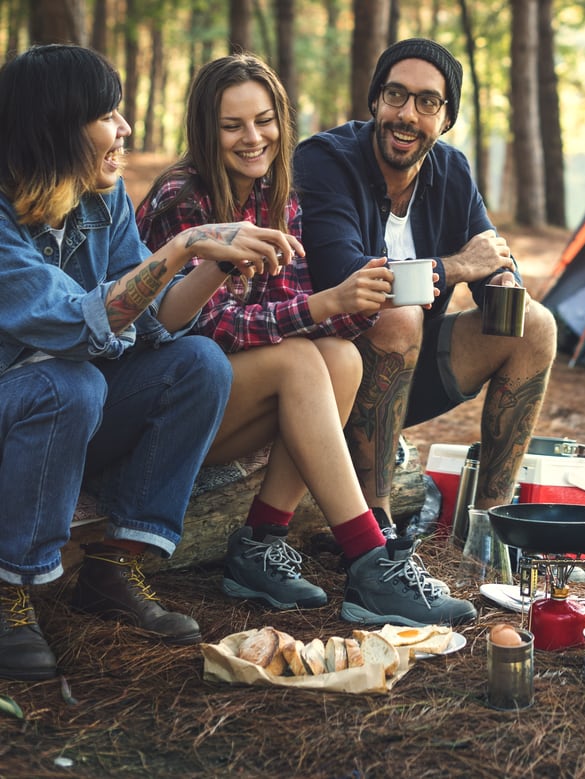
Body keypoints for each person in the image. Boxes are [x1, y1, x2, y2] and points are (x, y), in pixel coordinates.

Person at [0, 45, 309, 681]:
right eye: (107, 116)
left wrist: (214, 259)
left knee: (198, 363)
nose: (125, 130)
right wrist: (180, 246)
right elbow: (72, 322)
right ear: (57, 127)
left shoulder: (100, 198)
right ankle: (11, 591)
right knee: (70, 381)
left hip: (71, 408)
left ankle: (115, 567)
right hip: (19, 406)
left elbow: (156, 318)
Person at [136, 54, 475, 626]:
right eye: (232, 125)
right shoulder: (183, 197)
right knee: (298, 362)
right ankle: (370, 559)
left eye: (264, 121)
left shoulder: (277, 191)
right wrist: (325, 304)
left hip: (234, 398)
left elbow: (288, 307)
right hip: (166, 406)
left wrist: (351, 303)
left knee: (341, 358)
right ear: (204, 129)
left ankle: (260, 543)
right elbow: (209, 328)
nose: (253, 138)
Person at [293, 38, 558, 530]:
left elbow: (491, 259)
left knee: (534, 325)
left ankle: (490, 523)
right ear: (375, 101)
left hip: (406, 377)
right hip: (324, 377)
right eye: (396, 95)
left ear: (446, 118)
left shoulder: (451, 169)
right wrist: (458, 267)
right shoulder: (325, 161)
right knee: (396, 311)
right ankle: (376, 528)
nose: (407, 115)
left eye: (427, 102)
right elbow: (347, 281)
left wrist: (501, 278)